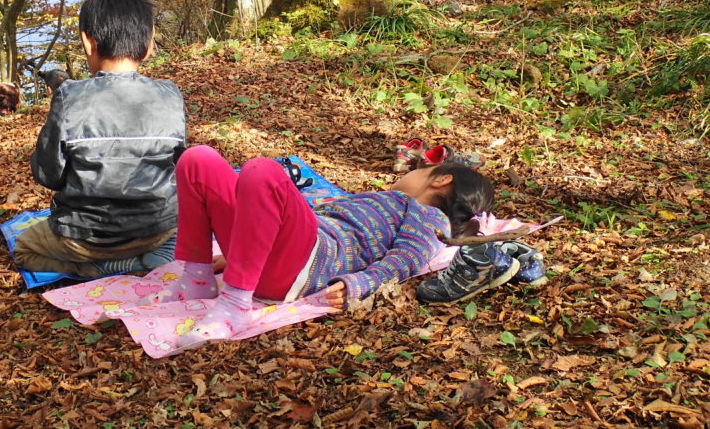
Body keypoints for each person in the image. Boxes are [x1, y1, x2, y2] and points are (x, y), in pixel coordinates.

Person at [153, 145, 497, 344]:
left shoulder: (427, 217)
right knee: (198, 160)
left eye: (422, 170)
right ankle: (196, 278)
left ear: (442, 179)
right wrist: (239, 255)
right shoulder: (383, 199)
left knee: (263, 172)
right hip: (281, 250)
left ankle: (235, 305)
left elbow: (404, 260)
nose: (409, 173)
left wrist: (360, 283)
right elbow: (274, 219)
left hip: (307, 261)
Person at [14, 0, 186, 278]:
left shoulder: (69, 96)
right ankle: (154, 259)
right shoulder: (170, 94)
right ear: (148, 46)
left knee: (23, 249)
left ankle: (103, 269)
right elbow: (178, 165)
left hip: (86, 237)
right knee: (177, 230)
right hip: (157, 228)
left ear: (87, 42)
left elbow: (49, 176)